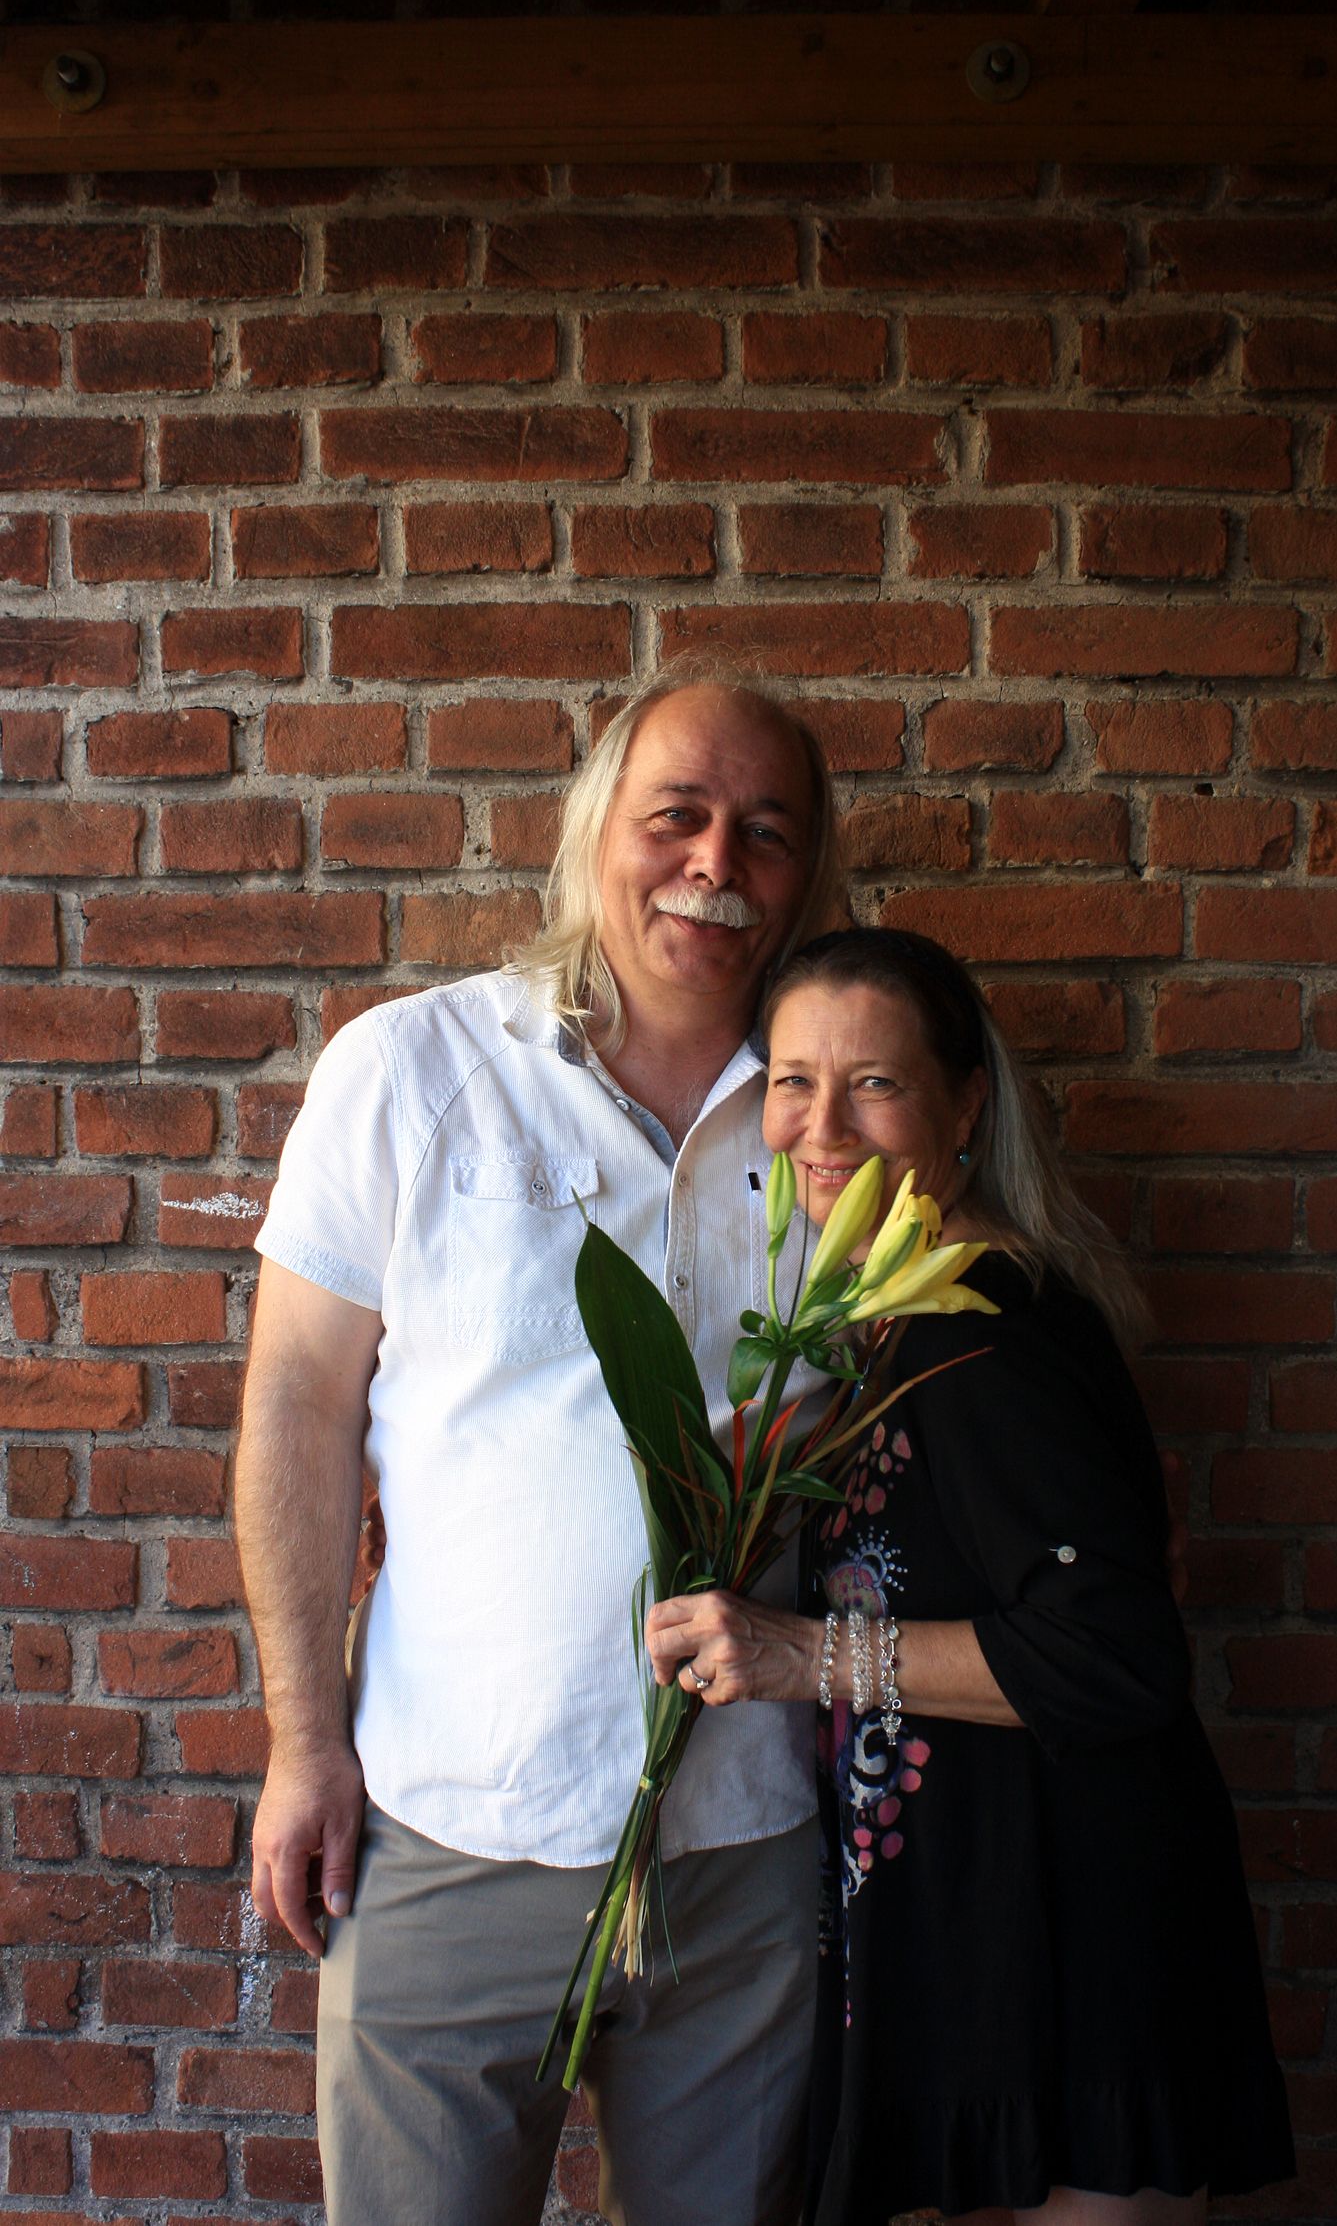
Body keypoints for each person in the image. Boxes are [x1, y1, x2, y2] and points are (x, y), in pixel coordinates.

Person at [234, 666, 845, 2226]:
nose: (717, 864)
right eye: (677, 816)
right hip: (449, 1824)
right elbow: (298, 1408)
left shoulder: (843, 1121)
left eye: (767, 832)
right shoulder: (413, 1072)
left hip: (744, 1845)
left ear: (809, 875)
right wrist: (305, 1742)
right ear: (594, 832)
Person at [645, 928, 1296, 2226]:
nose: (823, 1125)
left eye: (875, 1084)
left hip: (1073, 1936)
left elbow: (1115, 1654)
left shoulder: (983, 1332)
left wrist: (796, 1652)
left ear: (965, 1107)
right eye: (792, 1080)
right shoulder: (896, 1316)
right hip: (982, 1920)